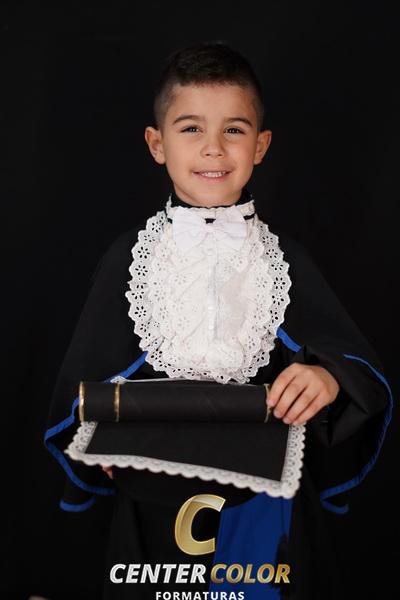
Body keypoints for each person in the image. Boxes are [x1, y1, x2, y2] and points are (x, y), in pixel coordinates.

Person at [44, 42, 392, 599]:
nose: (213, 147)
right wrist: (97, 443)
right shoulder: (129, 259)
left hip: (264, 505)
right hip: (149, 504)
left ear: (261, 145)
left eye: (234, 129)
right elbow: (81, 391)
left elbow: (352, 366)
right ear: (157, 144)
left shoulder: (285, 261)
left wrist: (328, 378)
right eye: (191, 129)